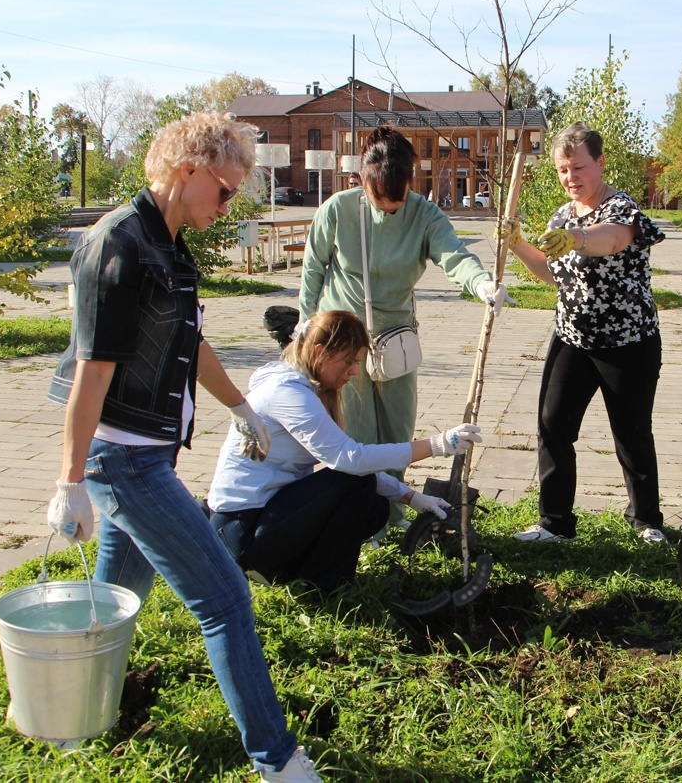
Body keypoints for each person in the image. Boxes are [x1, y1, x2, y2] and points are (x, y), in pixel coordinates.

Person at [46, 111, 322, 782]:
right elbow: (93, 371)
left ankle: (73, 717)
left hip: (148, 454)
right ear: (187, 170)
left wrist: (240, 403)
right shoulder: (121, 245)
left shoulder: (169, 246)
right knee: (225, 598)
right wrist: (72, 479)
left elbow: (189, 344)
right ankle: (277, 759)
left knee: (112, 597)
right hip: (124, 461)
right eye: (225, 191)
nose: (228, 205)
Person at [206, 310, 481, 591]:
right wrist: (437, 445)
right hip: (240, 529)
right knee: (356, 481)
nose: (353, 371)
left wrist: (410, 497)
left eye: (357, 363)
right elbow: (349, 460)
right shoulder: (287, 392)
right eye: (348, 361)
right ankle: (324, 586)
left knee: (373, 508)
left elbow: (346, 463)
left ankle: (294, 570)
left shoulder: (307, 390)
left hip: (265, 518)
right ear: (320, 351)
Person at [499, 122, 667, 546]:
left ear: (600, 163)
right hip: (572, 337)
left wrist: (574, 237)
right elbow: (550, 275)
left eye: (578, 167)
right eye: (562, 170)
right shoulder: (560, 216)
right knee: (552, 426)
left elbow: (608, 241)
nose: (570, 177)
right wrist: (518, 244)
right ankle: (555, 524)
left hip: (627, 343)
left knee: (631, 433)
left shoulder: (621, 209)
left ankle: (647, 521)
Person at [299, 125, 507, 455]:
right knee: (353, 435)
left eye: (396, 202)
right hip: (341, 341)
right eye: (378, 200)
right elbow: (313, 270)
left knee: (398, 433)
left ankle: (393, 505)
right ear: (363, 180)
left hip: (395, 339)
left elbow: (454, 255)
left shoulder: (425, 216)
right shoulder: (337, 210)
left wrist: (481, 283)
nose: (388, 209)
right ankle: (359, 505)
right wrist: (305, 326)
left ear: (411, 183)